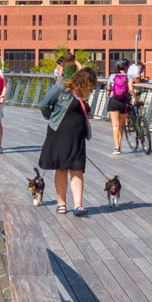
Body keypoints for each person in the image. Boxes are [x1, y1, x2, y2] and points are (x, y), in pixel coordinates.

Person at [37, 67, 96, 214]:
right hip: (58, 133)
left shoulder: (82, 94)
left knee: (77, 169)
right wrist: (52, 118)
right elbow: (44, 105)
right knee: (61, 168)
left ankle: (78, 205)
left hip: (77, 137)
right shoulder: (61, 89)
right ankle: (61, 203)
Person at [106, 60, 134, 153]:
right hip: (123, 102)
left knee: (115, 125)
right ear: (126, 67)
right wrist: (136, 99)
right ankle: (120, 146)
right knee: (121, 126)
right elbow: (130, 89)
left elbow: (108, 90)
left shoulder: (112, 76)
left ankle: (116, 148)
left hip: (113, 101)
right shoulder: (128, 76)